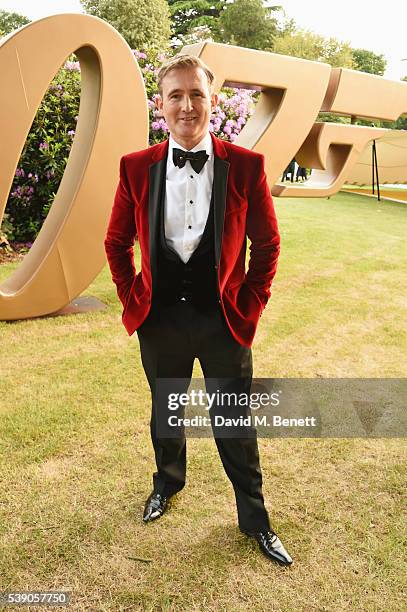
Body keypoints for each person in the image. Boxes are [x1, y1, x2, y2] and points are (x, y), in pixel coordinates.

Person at [104, 54, 292, 566]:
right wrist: (132, 297)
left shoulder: (246, 166)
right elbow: (116, 242)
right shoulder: (135, 166)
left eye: (197, 95)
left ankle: (255, 519)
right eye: (175, 95)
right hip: (160, 320)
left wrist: (250, 304)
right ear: (161, 104)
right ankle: (168, 484)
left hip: (222, 321)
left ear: (211, 101)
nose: (187, 105)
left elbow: (268, 246)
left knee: (235, 422)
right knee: (166, 411)